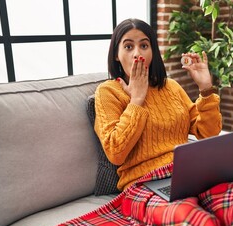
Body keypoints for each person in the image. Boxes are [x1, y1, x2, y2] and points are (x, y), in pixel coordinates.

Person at [94, 18, 222, 191]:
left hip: (186, 174)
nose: (137, 54)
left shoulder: (171, 86)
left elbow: (208, 134)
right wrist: (137, 100)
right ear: (116, 54)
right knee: (191, 216)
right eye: (128, 46)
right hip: (143, 185)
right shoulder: (108, 92)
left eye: (144, 46)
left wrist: (206, 88)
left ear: (152, 51)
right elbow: (115, 152)